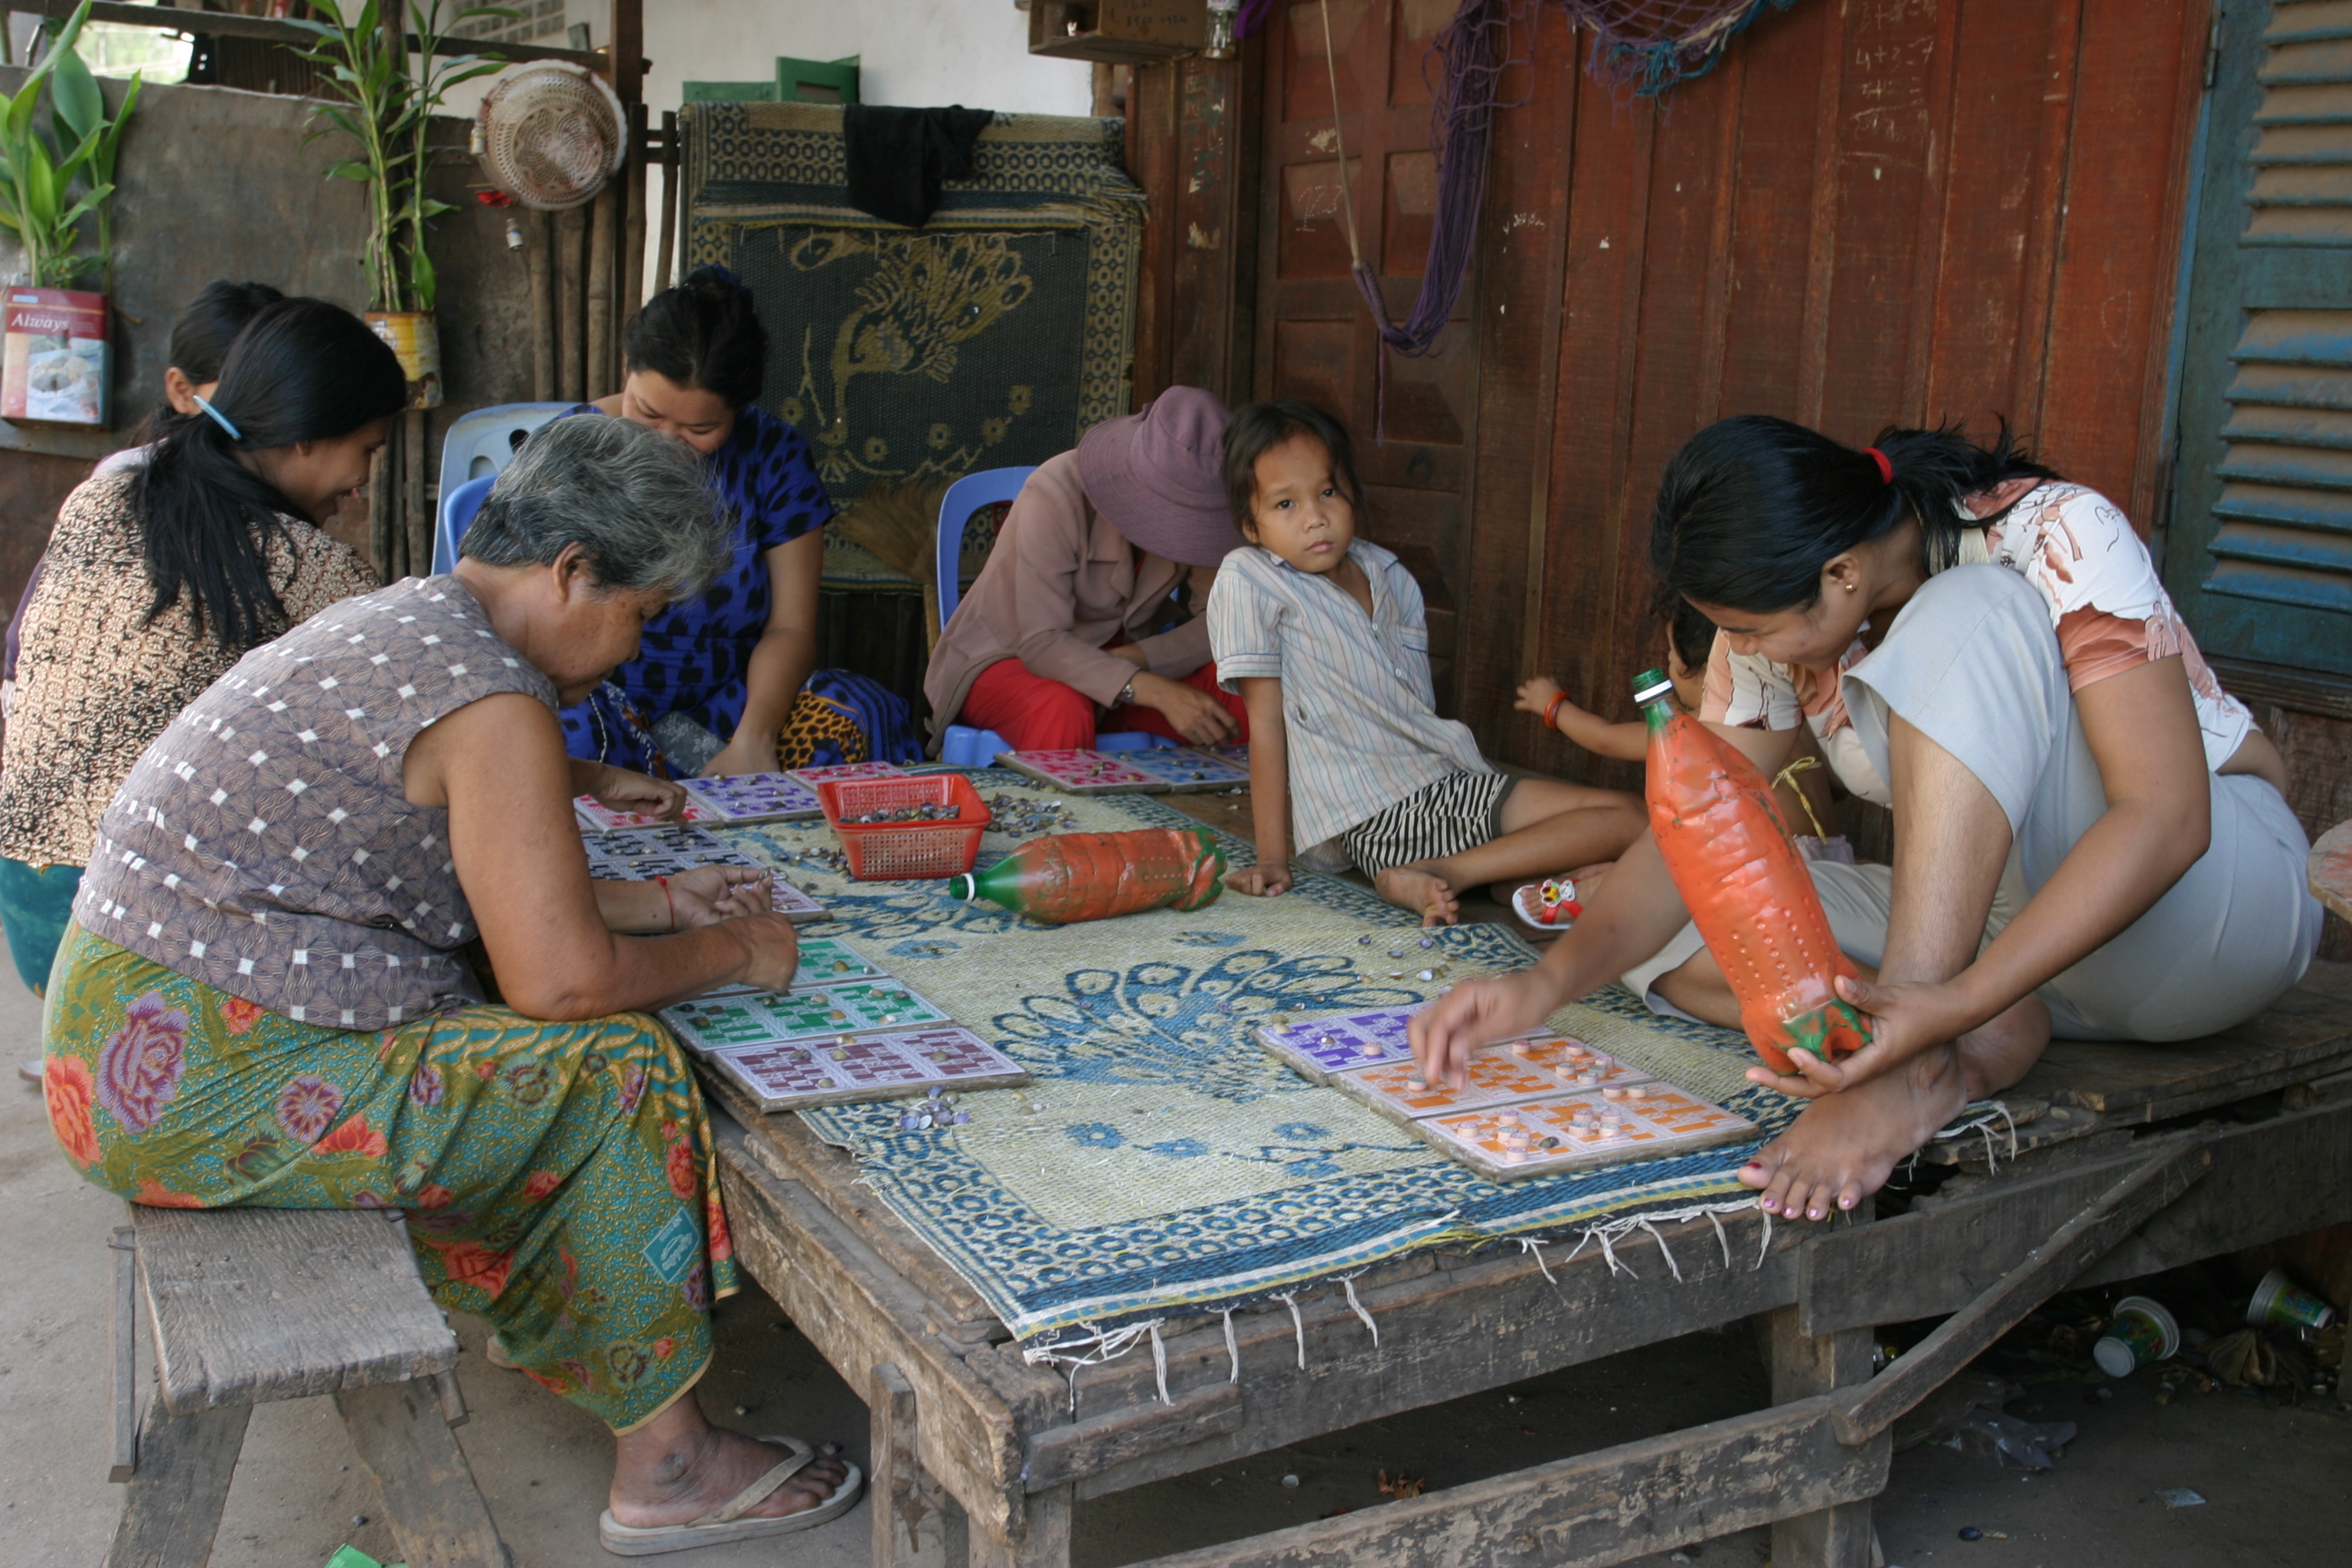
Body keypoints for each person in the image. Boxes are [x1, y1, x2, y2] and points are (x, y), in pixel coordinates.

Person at [41, 413, 860, 1554]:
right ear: (572, 571)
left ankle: (609, 1355)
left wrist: (659, 901)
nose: (633, 648)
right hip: (190, 1080)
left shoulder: (414, 619)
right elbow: (563, 983)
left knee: (516, 1021)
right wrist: (735, 952)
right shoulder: (493, 697)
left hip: (118, 1036)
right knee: (618, 1075)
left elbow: (455, 871)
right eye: (640, 614)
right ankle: (669, 1466)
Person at [1411, 416, 2321, 1220]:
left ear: (1842, 573)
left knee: (1968, 611)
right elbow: (1699, 833)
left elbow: (2168, 820)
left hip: (2203, 915)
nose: (1747, 654)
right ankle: (1975, 1039)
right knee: (1671, 911)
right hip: (2031, 954)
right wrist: (1545, 986)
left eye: (1758, 633)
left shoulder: (2049, 532)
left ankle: (1913, 1061)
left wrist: (1945, 1001)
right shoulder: (1781, 615)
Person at [0, 296, 405, 1004]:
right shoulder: (313, 568)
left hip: (28, 894)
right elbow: (402, 746)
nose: (364, 484)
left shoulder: (105, 495)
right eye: (365, 450)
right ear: (307, 434)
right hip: (133, 922)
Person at [1206, 399, 1645, 925]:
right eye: (1285, 505)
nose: (1315, 517)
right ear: (1250, 527)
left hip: (1442, 784)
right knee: (1634, 818)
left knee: (1602, 850)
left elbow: (1415, 708)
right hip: (1381, 810)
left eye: (1327, 492)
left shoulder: (1386, 572)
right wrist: (1273, 857)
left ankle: (1502, 883)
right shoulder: (1250, 577)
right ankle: (1441, 871)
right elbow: (1266, 725)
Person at [560, 266, 919, 777]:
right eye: (648, 412)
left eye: (700, 427)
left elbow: (790, 627)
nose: (666, 440)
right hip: (600, 694)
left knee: (856, 711)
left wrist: (755, 738)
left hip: (735, 701)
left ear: (740, 409)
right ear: (627, 368)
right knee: (565, 734)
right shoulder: (572, 451)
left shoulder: (775, 456)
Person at [3, 279, 285, 720]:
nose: (263, 415)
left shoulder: (280, 492)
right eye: (240, 394)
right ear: (180, 390)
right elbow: (27, 642)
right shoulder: (124, 481)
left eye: (275, 396)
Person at [925, 384, 1253, 753]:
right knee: (1060, 708)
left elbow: (1220, 625)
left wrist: (1133, 663)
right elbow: (1041, 642)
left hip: (1131, 666)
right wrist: (1144, 686)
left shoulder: (1210, 503)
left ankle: (1222, 812)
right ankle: (1067, 814)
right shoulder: (1056, 488)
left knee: (1250, 698)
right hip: (1012, 661)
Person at [1514, 594, 1838, 853]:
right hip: (1835, 855)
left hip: (1774, 863)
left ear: (1708, 672)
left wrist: (1553, 706)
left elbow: (1606, 739)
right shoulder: (1787, 718)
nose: (1667, 662)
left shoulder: (1705, 725)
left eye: (1671, 655)